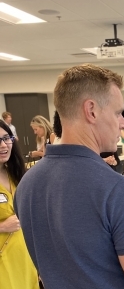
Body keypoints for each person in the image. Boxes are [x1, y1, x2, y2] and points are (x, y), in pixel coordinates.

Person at [14, 63, 124, 289]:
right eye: (118, 112)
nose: (123, 123)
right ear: (91, 110)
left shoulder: (27, 183)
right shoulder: (117, 189)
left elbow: (72, 255)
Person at [0, 120, 39, 289]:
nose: (3, 145)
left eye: (6, 138)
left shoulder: (15, 174)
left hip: (25, 259)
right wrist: (1, 227)